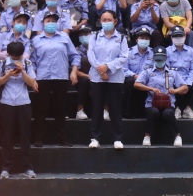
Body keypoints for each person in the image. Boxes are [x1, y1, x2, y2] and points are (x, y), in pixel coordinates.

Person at [28, 10, 76, 146]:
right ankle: (38, 138)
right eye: (48, 21)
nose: (51, 23)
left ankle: (63, 139)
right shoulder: (36, 40)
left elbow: (74, 55)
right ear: (43, 23)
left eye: (54, 21)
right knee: (40, 109)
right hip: (42, 78)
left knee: (60, 109)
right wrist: (33, 79)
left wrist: (73, 71)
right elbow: (32, 61)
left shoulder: (64, 37)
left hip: (60, 77)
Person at [0, 39, 37, 178]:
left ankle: (27, 167)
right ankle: (6, 167)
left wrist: (22, 72)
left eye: (18, 56)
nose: (15, 59)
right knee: (7, 136)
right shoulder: (1, 64)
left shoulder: (27, 63)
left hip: (23, 101)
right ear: (8, 54)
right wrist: (8, 74)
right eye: (13, 56)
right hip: (6, 102)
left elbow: (32, 83)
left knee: (25, 135)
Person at [85, 10, 127, 149]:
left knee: (115, 108)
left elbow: (123, 57)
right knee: (97, 108)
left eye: (109, 19)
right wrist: (100, 70)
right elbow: (90, 55)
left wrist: (107, 67)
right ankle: (95, 137)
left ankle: (117, 138)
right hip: (97, 77)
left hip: (115, 78)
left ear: (115, 21)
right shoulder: (95, 36)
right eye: (104, 20)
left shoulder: (121, 38)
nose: (106, 22)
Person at [165, 27, 193, 119]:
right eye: (176, 36)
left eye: (180, 36)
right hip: (173, 83)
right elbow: (166, 70)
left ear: (185, 37)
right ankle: (176, 108)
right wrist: (178, 85)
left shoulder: (190, 51)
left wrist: (186, 84)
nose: (178, 38)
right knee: (169, 87)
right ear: (171, 38)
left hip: (187, 82)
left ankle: (189, 109)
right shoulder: (167, 51)